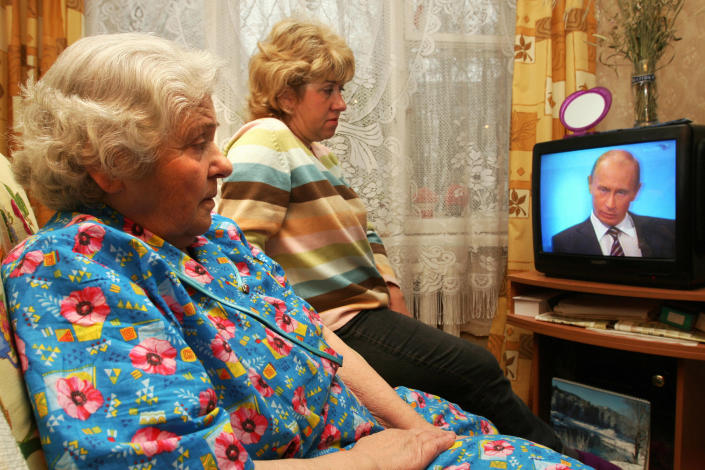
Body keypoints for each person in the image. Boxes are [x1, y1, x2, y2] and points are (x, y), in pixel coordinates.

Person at [2, 32, 589, 469]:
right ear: (110, 163)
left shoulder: (215, 239)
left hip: (370, 425)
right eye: (197, 142)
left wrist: (422, 434)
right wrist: (370, 459)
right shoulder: (68, 268)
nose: (223, 161)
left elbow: (318, 338)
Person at [216, 17, 592, 460]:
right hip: (337, 325)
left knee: (462, 383)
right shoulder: (267, 141)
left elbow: (364, 229)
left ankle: (512, 453)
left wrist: (391, 286)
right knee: (477, 368)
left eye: (342, 89)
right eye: (328, 90)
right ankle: (562, 457)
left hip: (362, 312)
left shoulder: (315, 152)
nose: (341, 103)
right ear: (285, 96)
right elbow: (236, 257)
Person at [552, 149, 675, 257]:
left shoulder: (668, 231)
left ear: (636, 191)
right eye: (603, 190)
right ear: (590, 184)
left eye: (621, 192)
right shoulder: (564, 242)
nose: (610, 204)